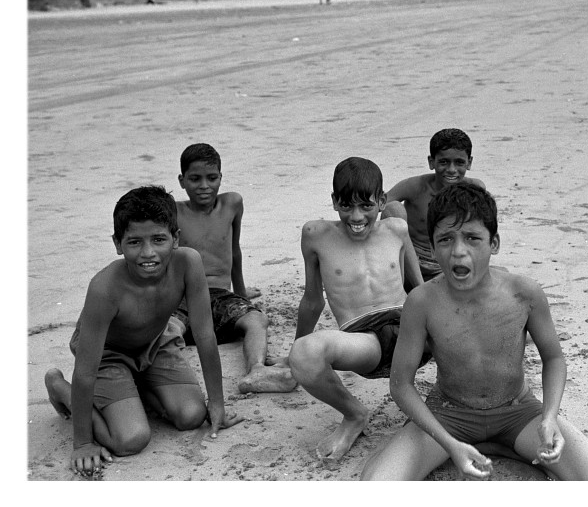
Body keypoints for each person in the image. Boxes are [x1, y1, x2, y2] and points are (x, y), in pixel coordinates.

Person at [360, 182, 588, 480]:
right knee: (376, 484)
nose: (458, 251)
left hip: (518, 412)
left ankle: (501, 441)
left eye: (472, 238)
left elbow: (554, 359)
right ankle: (489, 444)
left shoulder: (524, 293)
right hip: (448, 414)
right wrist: (450, 444)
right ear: (430, 246)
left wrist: (549, 417)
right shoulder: (421, 302)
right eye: (445, 239)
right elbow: (401, 384)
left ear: (494, 243)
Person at [44, 186, 242, 478]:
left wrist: (218, 404)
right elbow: (86, 371)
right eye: (135, 242)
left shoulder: (188, 263)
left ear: (175, 237)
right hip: (108, 356)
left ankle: (136, 388)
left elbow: (204, 336)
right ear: (117, 243)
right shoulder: (104, 288)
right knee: (130, 440)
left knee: (192, 416)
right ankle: (61, 388)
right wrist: (83, 442)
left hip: (156, 343)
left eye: (159, 239)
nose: (148, 253)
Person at [286, 157, 426, 461]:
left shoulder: (397, 229)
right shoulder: (316, 235)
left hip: (411, 328)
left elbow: (420, 289)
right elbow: (313, 299)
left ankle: (450, 403)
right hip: (364, 340)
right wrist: (293, 354)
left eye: (366, 206)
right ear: (334, 202)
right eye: (346, 206)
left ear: (381, 202)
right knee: (303, 354)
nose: (356, 216)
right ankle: (353, 414)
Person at [172, 143, 295, 394]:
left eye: (212, 178)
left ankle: (257, 370)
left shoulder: (232, 204)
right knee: (170, 329)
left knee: (257, 319)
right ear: (182, 180)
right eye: (195, 179)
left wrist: (240, 296)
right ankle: (167, 379)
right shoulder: (173, 211)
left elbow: (234, 252)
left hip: (221, 297)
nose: (204, 186)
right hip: (184, 298)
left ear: (221, 177)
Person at [384, 128, 485, 283]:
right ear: (432, 162)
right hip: (407, 261)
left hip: (445, 262)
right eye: (444, 162)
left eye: (459, 163)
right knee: (393, 209)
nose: (451, 170)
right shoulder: (416, 187)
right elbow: (378, 205)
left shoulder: (474, 190)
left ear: (469, 163)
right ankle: (419, 287)